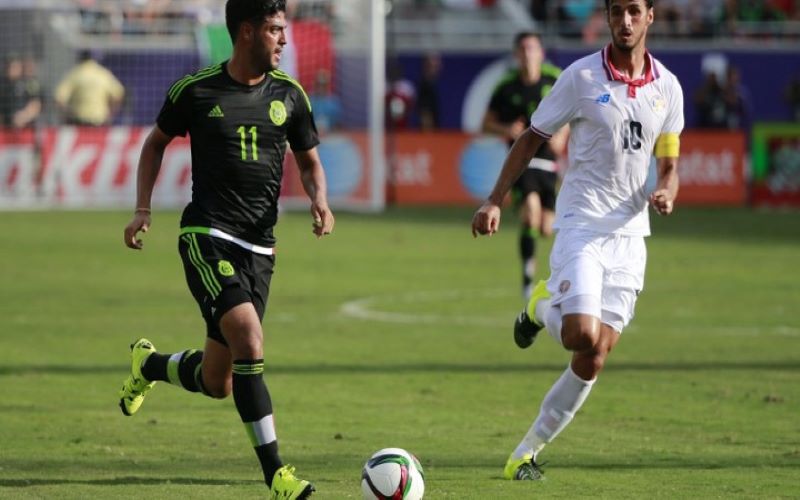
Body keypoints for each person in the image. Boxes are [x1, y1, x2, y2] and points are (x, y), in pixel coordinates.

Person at [119, 1, 334, 499]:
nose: (285, 40)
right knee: (250, 342)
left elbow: (310, 161)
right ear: (246, 32)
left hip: (261, 249)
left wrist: (320, 198)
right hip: (207, 235)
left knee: (219, 381)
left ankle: (147, 365)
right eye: (276, 30)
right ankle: (277, 474)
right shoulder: (195, 91)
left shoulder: (291, 96)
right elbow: (154, 145)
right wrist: (142, 210)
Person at [472, 0, 683, 481]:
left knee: (594, 357)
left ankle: (523, 453)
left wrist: (667, 189)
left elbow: (669, 162)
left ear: (650, 16)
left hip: (631, 236)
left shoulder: (667, 88)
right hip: (583, 224)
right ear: (607, 18)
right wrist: (494, 200)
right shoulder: (581, 78)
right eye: (616, 12)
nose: (624, 22)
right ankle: (539, 307)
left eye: (634, 12)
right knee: (579, 335)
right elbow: (531, 137)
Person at [482, 32, 568, 301]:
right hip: (522, 164)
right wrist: (506, 128)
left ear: (541, 52)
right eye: (523, 49)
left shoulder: (557, 78)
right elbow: (485, 124)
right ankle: (528, 277)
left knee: (545, 227)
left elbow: (574, 112)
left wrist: (563, 136)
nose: (528, 53)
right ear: (517, 54)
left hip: (549, 164)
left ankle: (547, 271)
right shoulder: (506, 87)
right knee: (530, 212)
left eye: (532, 48)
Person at [54, 50, 125, 126]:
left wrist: (67, 116)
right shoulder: (103, 74)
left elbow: (59, 98)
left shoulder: (75, 74)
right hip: (100, 122)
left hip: (78, 122)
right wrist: (110, 114)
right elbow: (119, 95)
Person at [0, 53, 42, 129]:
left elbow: (36, 105)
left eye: (17, 67)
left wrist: (23, 116)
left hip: (26, 130)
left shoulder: (29, 83)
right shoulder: (3, 84)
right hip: (5, 130)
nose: (16, 70)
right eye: (13, 67)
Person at [416, 52, 441, 130]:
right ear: (426, 66)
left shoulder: (432, 84)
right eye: (433, 66)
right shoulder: (425, 86)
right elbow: (425, 112)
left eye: (437, 66)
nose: (437, 68)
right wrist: (428, 133)